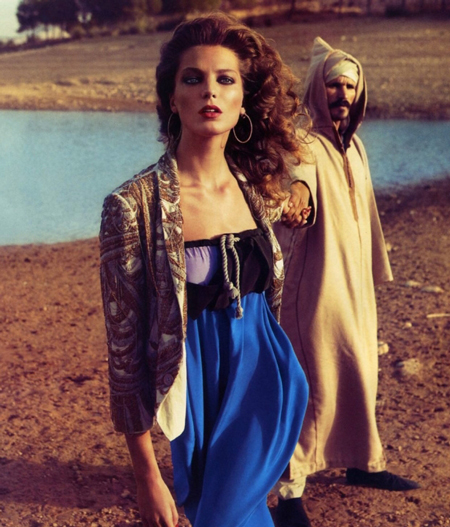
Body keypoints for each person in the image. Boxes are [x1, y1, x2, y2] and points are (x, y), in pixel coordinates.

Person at [99, 13, 310, 527]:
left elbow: (299, 187)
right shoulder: (133, 206)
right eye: (192, 79)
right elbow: (124, 352)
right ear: (173, 99)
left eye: (225, 79)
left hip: (265, 383)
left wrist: (303, 192)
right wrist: (146, 475)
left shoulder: (256, 189)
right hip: (196, 392)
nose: (209, 91)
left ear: (242, 100)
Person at [272, 37, 420, 527]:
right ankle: (290, 491)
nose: (343, 94)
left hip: (355, 284)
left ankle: (363, 463)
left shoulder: (354, 146)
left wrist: (374, 270)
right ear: (318, 89)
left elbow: (366, 214)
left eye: (351, 87)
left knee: (360, 370)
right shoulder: (305, 144)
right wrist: (296, 199)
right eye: (334, 84)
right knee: (313, 381)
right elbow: (298, 182)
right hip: (317, 286)